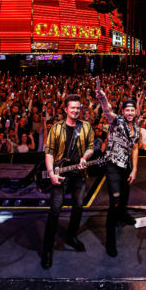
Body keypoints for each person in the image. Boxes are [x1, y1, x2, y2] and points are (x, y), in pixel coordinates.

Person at [40, 94, 95, 269]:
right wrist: (51, 173)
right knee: (55, 209)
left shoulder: (86, 126)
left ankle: (71, 236)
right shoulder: (56, 128)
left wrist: (85, 158)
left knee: (78, 207)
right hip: (59, 173)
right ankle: (47, 249)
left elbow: (91, 147)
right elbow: (49, 152)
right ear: (65, 109)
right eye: (72, 108)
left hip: (78, 174)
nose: (76, 111)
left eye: (78, 108)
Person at [96, 86, 139, 258]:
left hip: (126, 167)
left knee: (125, 194)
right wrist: (103, 98)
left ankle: (124, 214)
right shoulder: (116, 121)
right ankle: (110, 240)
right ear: (123, 111)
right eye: (127, 110)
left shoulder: (135, 128)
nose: (129, 112)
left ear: (136, 111)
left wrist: (135, 169)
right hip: (113, 167)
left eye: (132, 110)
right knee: (114, 202)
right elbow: (108, 111)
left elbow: (135, 148)